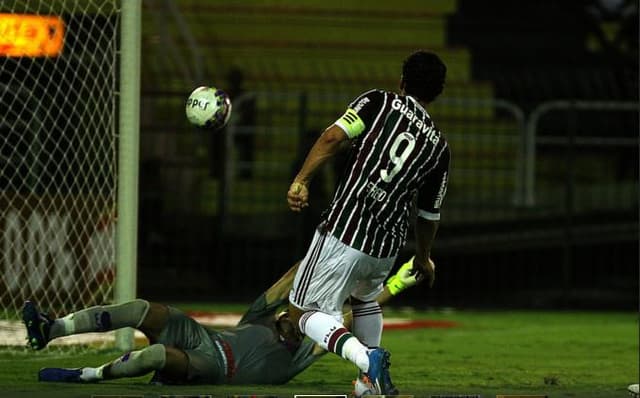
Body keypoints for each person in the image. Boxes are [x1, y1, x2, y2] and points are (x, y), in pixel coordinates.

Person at [286, 50, 450, 395]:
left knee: (301, 311)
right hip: (388, 243)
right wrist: (423, 257)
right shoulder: (439, 148)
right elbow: (428, 214)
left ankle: (366, 361)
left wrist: (302, 179)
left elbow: (333, 137)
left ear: (402, 81)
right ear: (438, 92)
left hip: (346, 228)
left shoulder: (379, 102)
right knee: (365, 301)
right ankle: (367, 386)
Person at [23, 259, 420, 386]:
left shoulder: (305, 348)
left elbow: (356, 312)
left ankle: (83, 376)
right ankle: (51, 329)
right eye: (291, 311)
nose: (291, 315)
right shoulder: (264, 316)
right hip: (205, 336)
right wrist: (326, 252)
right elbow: (290, 278)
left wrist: (400, 280)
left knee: (157, 355)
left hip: (218, 366)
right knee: (142, 309)